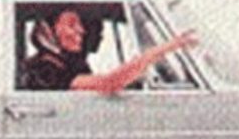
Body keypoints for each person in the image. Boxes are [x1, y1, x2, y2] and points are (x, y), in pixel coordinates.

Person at [19, 9, 197, 94]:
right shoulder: (45, 69)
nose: (81, 31)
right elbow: (109, 83)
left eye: (80, 24)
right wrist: (166, 48)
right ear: (47, 32)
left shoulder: (64, 64)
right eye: (72, 24)